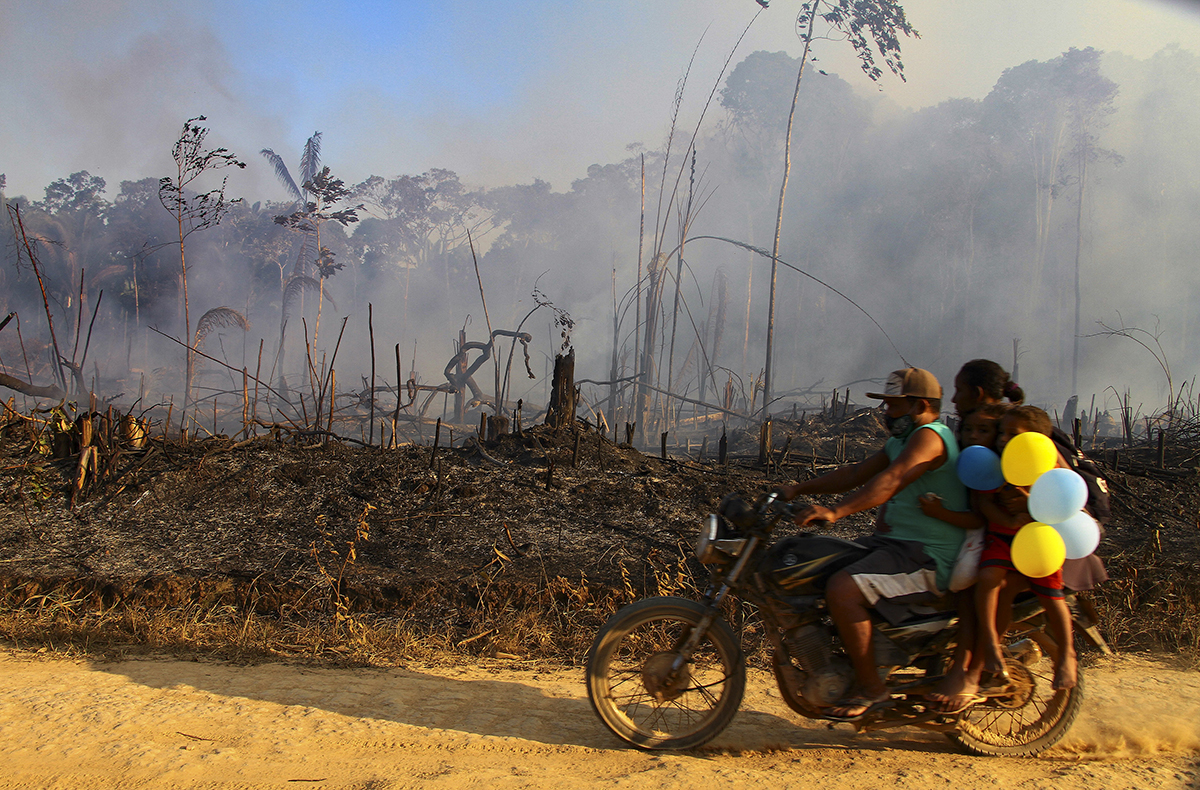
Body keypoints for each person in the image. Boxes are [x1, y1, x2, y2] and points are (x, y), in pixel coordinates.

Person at [777, 367, 970, 721]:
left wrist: (836, 511)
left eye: (894, 406)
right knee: (823, 565)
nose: (886, 413)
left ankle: (873, 690)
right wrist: (797, 489)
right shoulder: (902, 440)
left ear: (921, 405)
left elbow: (891, 480)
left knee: (843, 590)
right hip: (896, 546)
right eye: (886, 405)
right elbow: (855, 473)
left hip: (926, 555)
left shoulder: (930, 437)